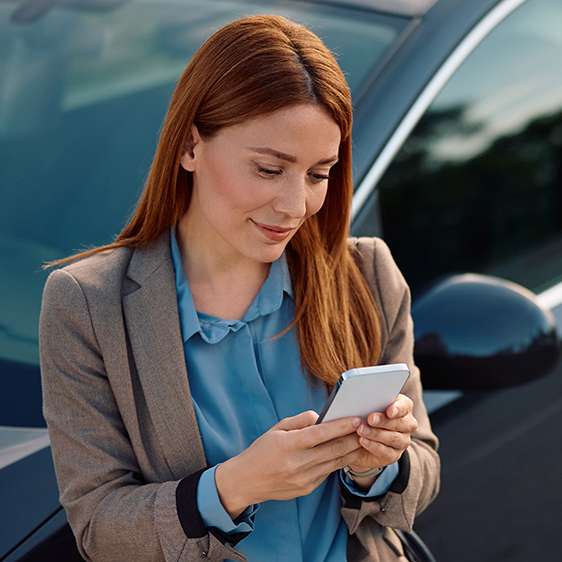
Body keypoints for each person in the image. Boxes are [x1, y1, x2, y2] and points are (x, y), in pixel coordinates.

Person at [39, 14, 440, 562]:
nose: (296, 206)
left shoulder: (365, 275)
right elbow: (99, 527)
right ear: (189, 147)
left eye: (319, 174)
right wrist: (235, 486)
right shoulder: (87, 305)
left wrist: (378, 465)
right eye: (269, 170)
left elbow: (424, 469)